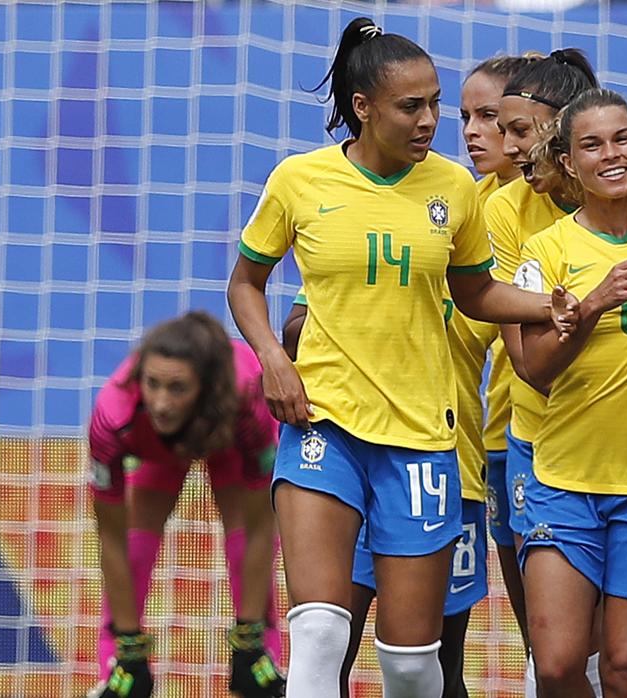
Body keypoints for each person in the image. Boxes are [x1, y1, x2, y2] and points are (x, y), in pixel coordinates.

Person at [227, 18, 576, 698]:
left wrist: (551, 307)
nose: (431, 121)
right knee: (321, 636)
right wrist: (272, 355)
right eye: (411, 106)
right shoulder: (300, 180)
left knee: (413, 664)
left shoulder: (454, 189)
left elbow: (474, 291)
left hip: (422, 436)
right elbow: (246, 281)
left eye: (435, 104)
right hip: (322, 424)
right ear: (363, 107)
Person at [490, 50, 627, 698]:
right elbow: (532, 370)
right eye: (592, 144)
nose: (610, 154)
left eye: (622, 139)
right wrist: (591, 306)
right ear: (570, 160)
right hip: (560, 474)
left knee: (625, 668)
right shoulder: (544, 249)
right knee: (558, 665)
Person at [87, 311, 284, 698]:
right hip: (155, 450)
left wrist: (247, 635)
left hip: (224, 437)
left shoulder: (246, 400)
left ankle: (258, 654)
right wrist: (130, 645)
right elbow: (109, 535)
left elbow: (263, 525)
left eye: (176, 388)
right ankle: (117, 665)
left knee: (246, 538)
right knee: (134, 544)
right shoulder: (112, 417)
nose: (160, 403)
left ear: (205, 387)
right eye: (152, 384)